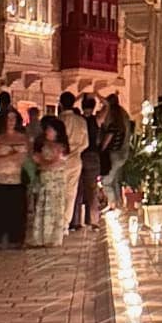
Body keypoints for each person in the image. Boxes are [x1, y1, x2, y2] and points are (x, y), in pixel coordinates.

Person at [26, 115, 79, 247]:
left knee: (54, 209)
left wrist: (44, 163)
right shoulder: (42, 144)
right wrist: (44, 163)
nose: (47, 132)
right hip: (45, 181)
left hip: (55, 182)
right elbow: (36, 158)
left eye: (50, 130)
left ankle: (52, 238)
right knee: (42, 207)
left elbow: (56, 163)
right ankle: (41, 237)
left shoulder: (61, 147)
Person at [0, 111, 28, 248]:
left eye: (13, 118)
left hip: (18, 180)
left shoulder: (23, 138)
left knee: (17, 211)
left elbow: (28, 157)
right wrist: (10, 158)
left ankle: (16, 239)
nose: (11, 121)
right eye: (8, 118)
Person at [72, 92, 103, 230]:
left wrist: (78, 98)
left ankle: (76, 222)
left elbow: (67, 106)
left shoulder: (78, 119)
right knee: (92, 190)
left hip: (80, 154)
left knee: (77, 190)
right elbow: (107, 107)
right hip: (93, 156)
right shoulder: (96, 120)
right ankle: (94, 221)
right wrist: (98, 95)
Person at [99, 93, 132, 208]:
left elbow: (110, 133)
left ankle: (112, 205)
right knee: (115, 181)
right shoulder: (124, 114)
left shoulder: (112, 116)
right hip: (124, 152)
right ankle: (119, 206)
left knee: (107, 181)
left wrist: (101, 149)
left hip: (113, 153)